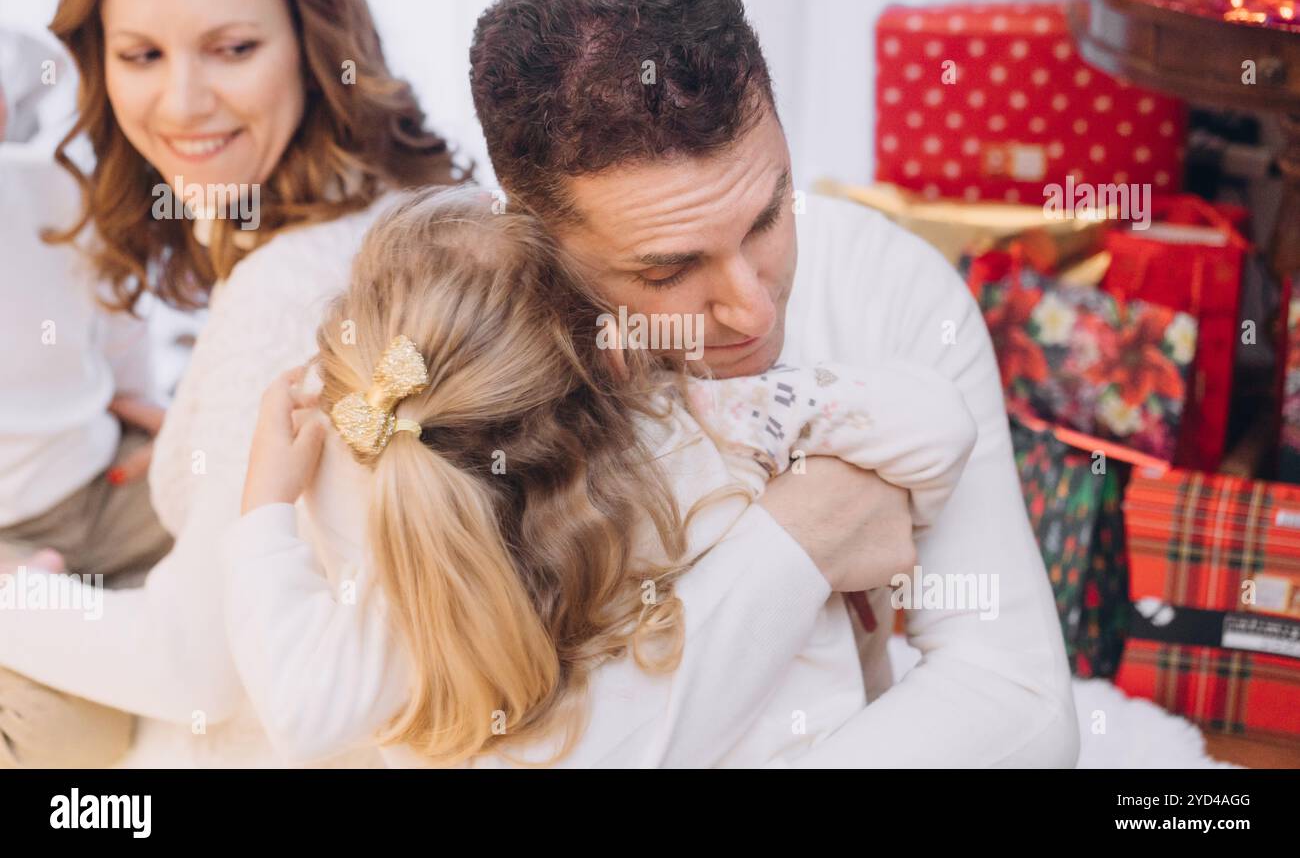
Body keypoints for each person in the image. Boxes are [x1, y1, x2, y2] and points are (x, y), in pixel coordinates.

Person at [466, 0, 1079, 766]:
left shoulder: (888, 284)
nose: (751, 307)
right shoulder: (456, 374)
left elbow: (1021, 703)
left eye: (766, 218)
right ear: (533, 241)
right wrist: (796, 545)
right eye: (668, 269)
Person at [219, 186, 978, 767]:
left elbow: (299, 706)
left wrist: (265, 506)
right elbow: (939, 429)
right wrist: (769, 406)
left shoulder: (424, 573)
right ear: (609, 352)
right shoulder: (709, 434)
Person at [0, 0, 461, 766]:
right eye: (141, 55)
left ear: (316, 43)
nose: (181, 102)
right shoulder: (384, 216)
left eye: (232, 49)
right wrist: (192, 423)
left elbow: (192, 666)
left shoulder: (291, 286)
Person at [0, 27, 173, 768]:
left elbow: (121, 346)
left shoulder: (55, 194)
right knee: (66, 746)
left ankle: (99, 614)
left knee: (290, 534)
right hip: (10, 548)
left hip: (106, 483)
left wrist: (175, 437)